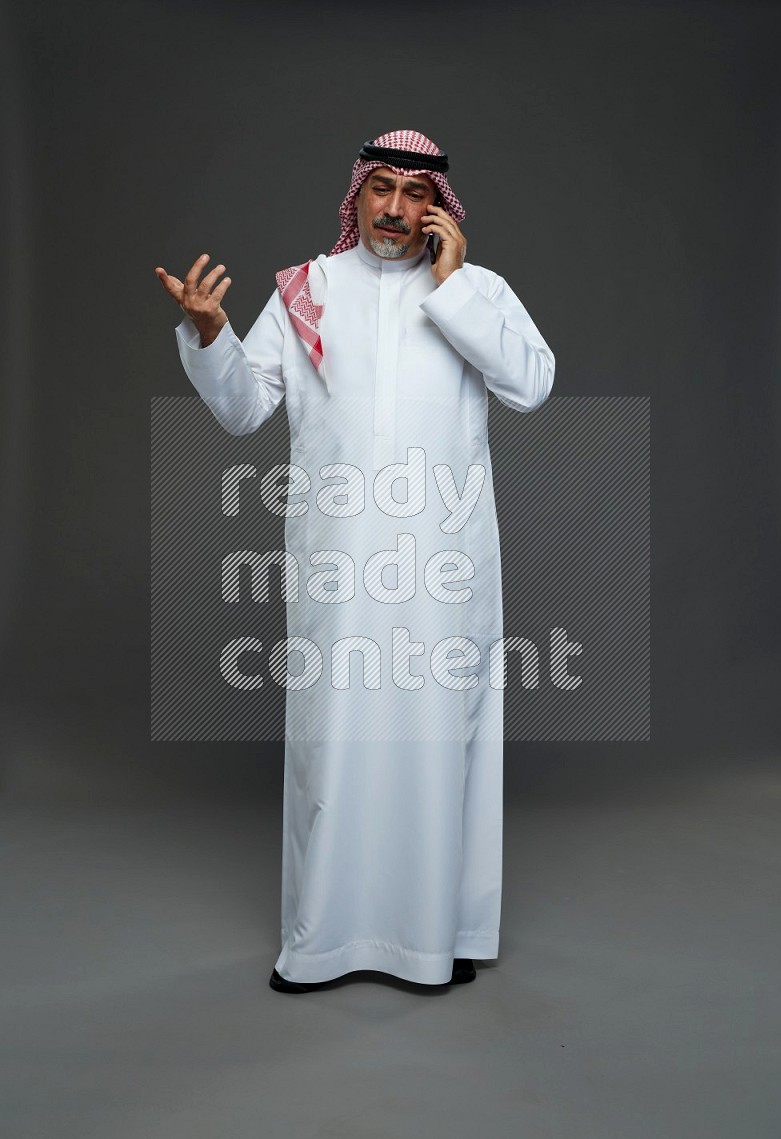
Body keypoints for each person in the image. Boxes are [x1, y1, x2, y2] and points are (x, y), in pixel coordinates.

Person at [155, 129, 555, 994]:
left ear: (439, 209)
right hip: (337, 568)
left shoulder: (476, 291)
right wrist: (212, 336)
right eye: (382, 188)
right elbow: (243, 412)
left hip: (443, 570)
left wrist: (452, 291)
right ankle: (324, 942)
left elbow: (531, 383)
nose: (397, 209)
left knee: (438, 743)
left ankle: (435, 938)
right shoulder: (308, 289)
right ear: (357, 196)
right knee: (332, 747)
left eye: (418, 193)